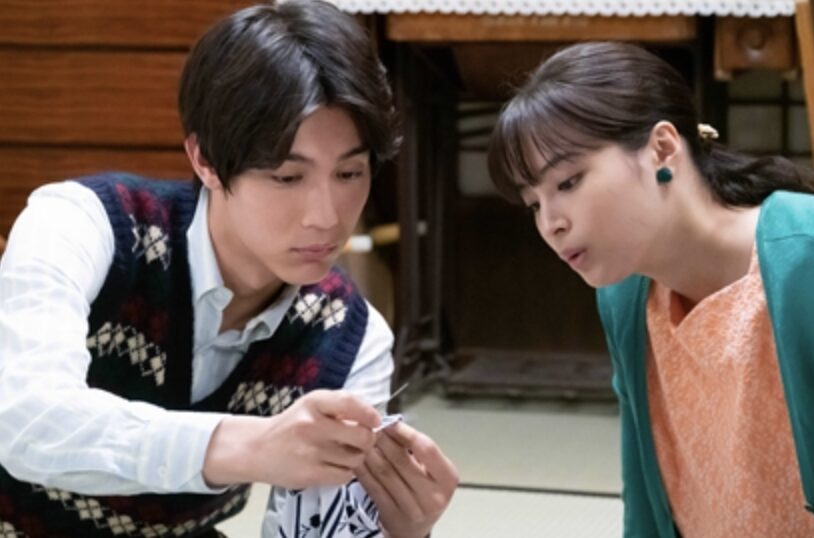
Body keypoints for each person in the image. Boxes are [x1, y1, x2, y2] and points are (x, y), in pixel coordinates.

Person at [0, 1, 458, 537]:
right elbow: (25, 420)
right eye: (287, 177)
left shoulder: (349, 339)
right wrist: (246, 446)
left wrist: (399, 532)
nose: (326, 216)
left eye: (350, 173)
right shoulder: (82, 225)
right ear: (205, 160)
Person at [488, 41, 814, 537]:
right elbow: (643, 496)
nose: (551, 223)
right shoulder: (625, 297)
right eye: (534, 203)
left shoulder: (802, 257)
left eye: (568, 182)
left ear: (662, 148)